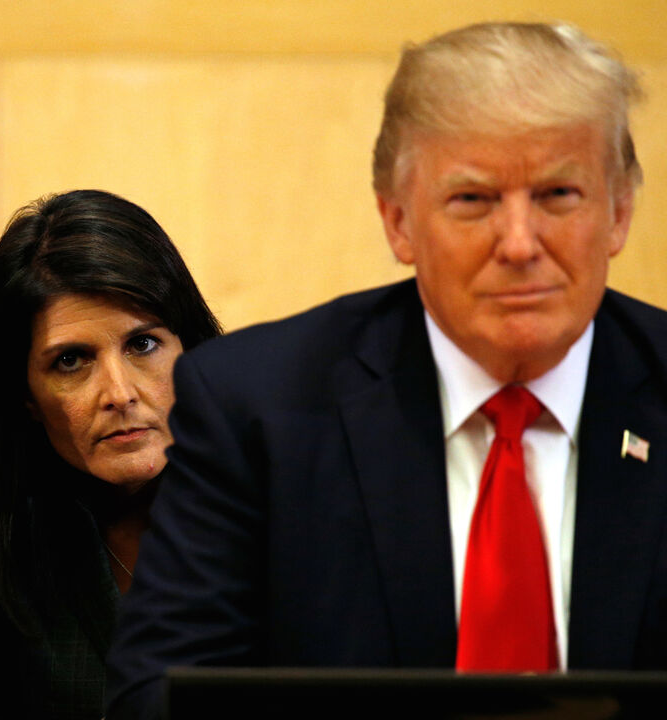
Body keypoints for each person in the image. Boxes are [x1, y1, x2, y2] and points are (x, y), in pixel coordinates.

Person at [106, 21, 667, 719]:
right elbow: (156, 695)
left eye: (559, 195)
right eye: (474, 200)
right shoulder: (258, 409)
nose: (520, 244)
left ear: (619, 212)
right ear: (398, 221)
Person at [0, 189, 221, 719]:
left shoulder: (290, 484)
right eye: (72, 361)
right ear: (25, 394)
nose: (119, 393)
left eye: (143, 345)